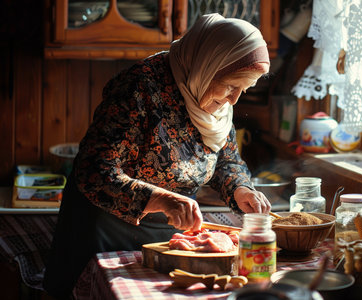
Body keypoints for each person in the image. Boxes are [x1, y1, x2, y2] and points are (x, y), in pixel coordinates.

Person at [43, 13, 272, 298]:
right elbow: (95, 170)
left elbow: (225, 159)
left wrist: (239, 188)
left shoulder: (214, 98)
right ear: (208, 64)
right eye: (230, 86)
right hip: (104, 229)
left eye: (244, 90)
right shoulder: (139, 87)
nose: (234, 99)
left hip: (166, 233)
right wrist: (162, 198)